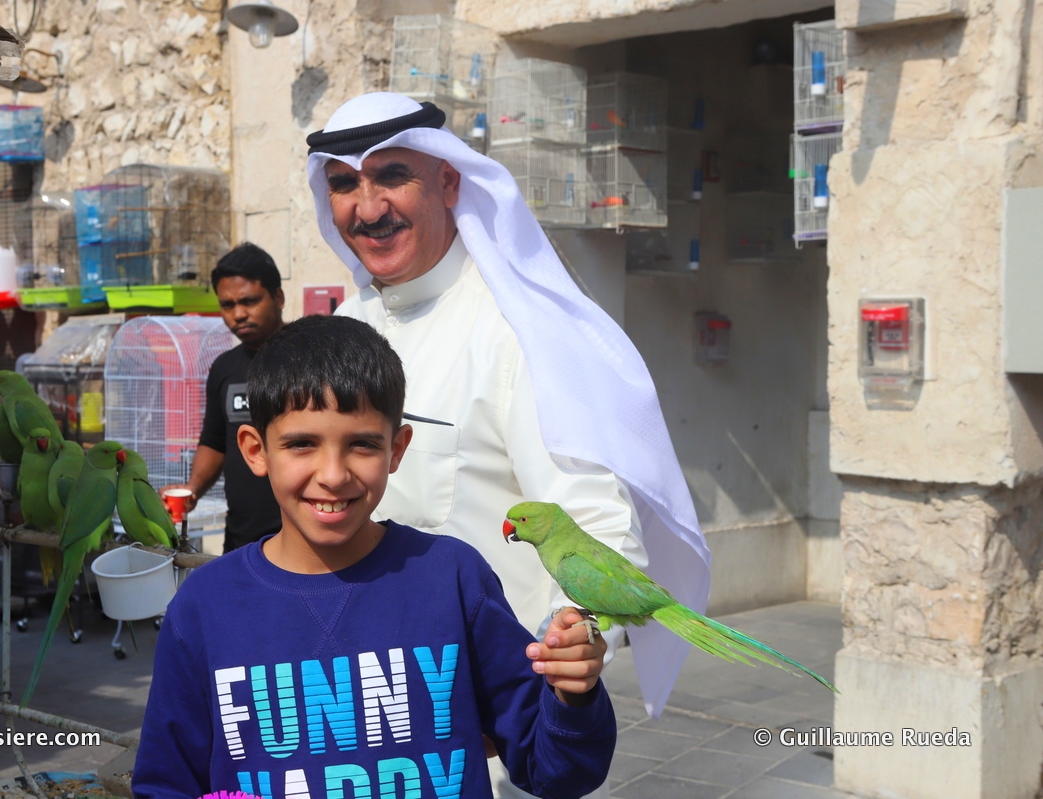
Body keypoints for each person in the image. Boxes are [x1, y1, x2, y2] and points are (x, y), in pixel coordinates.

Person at [306, 94, 711, 730]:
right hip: (353, 702)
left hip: (482, 721)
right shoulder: (345, 329)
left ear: (447, 179)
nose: (368, 208)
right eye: (343, 184)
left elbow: (590, 524)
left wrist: (567, 644)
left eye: (391, 176)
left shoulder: (515, 330)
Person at [132, 315, 616, 799]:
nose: (333, 474)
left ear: (397, 449)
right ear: (255, 451)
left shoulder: (452, 579)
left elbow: (557, 772)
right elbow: (165, 783)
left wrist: (572, 695)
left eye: (362, 444)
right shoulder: (204, 607)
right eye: (302, 444)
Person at [162, 243, 285, 552]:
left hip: (305, 543)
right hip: (242, 541)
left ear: (278, 298)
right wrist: (192, 489)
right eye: (227, 305)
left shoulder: (312, 357)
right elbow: (215, 440)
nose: (239, 314)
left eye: (250, 301)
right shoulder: (224, 368)